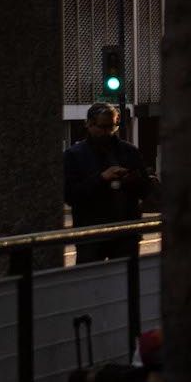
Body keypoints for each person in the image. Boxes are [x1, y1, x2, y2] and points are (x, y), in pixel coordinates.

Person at [63, 102, 151, 262]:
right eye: (102, 127)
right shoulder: (74, 155)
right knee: (91, 279)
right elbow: (70, 195)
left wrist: (132, 180)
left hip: (125, 230)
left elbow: (145, 190)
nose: (108, 132)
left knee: (126, 280)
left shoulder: (129, 151)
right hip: (91, 232)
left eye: (112, 127)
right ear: (89, 124)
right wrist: (102, 178)